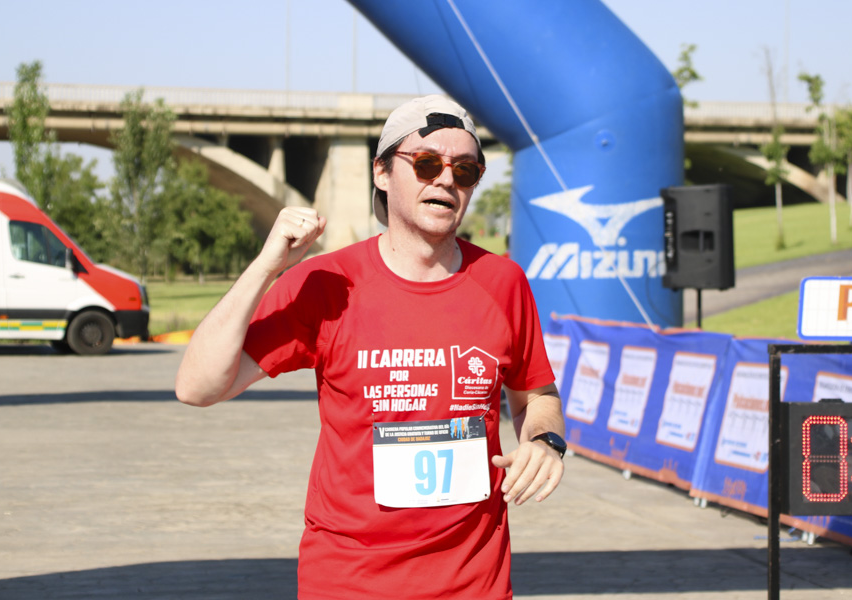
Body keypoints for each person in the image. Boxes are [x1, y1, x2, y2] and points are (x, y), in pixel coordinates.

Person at [175, 95, 566, 600]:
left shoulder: (503, 281)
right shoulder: (326, 282)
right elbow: (197, 387)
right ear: (381, 172)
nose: (446, 180)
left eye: (465, 170)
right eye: (427, 164)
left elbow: (537, 395)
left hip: (475, 584)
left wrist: (544, 441)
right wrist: (265, 268)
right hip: (349, 582)